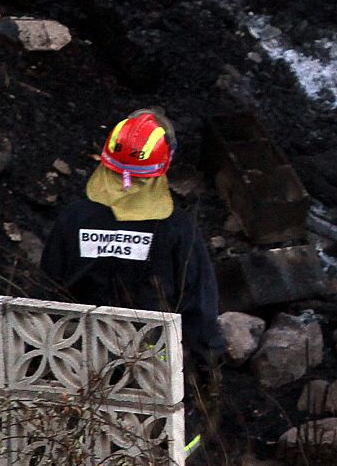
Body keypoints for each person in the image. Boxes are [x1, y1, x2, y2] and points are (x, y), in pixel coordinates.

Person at [41, 109, 225, 367]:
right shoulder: (177, 228)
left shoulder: (74, 217)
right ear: (166, 161)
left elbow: (47, 287)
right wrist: (207, 368)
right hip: (149, 361)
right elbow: (199, 307)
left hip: (75, 357)